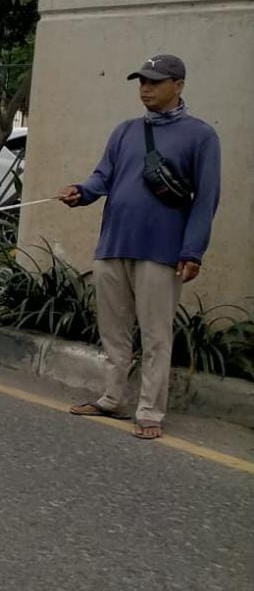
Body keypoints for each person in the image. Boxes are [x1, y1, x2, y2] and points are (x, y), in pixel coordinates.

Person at [58, 54, 221, 440]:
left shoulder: (201, 136)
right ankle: (113, 397)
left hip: (162, 251)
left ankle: (150, 410)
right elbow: (103, 177)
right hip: (114, 243)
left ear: (178, 86)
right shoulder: (125, 131)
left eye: (155, 82)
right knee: (113, 330)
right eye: (141, 82)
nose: (145, 89)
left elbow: (206, 199)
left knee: (155, 334)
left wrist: (192, 250)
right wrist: (81, 192)